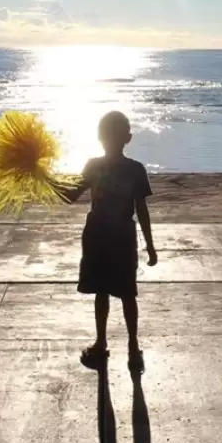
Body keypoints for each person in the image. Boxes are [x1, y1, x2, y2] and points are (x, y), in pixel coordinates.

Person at [64, 111, 157, 373]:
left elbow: (70, 196)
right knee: (128, 293)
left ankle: (101, 342)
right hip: (123, 237)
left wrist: (42, 180)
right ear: (128, 138)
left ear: (98, 137)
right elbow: (142, 209)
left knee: (101, 292)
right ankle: (132, 347)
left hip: (97, 235)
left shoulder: (93, 165)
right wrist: (150, 244)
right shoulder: (135, 168)